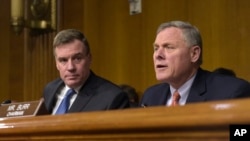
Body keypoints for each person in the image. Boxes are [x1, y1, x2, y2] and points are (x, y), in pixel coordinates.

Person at [140, 20, 250, 107]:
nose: (158, 55)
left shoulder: (231, 93)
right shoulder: (150, 97)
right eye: (156, 48)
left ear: (194, 54)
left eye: (169, 47)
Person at [43, 29, 130, 115]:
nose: (70, 67)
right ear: (57, 64)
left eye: (77, 58)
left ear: (89, 58)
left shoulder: (113, 97)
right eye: (63, 60)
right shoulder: (50, 89)